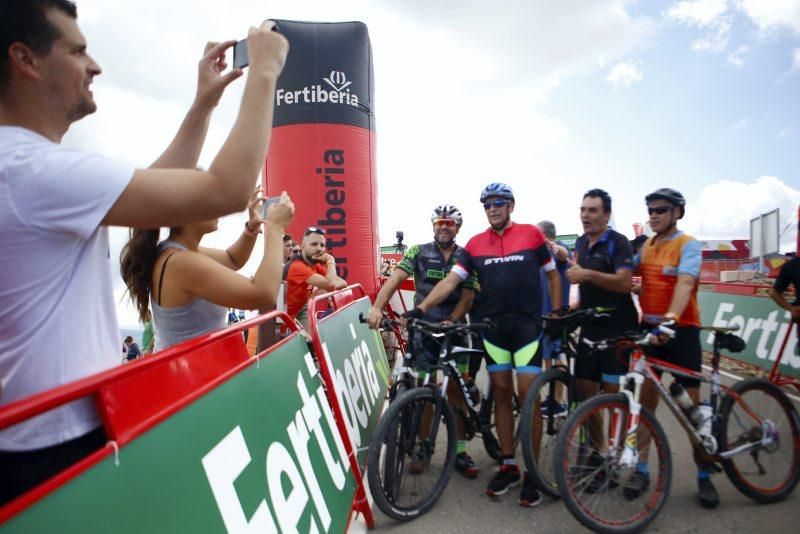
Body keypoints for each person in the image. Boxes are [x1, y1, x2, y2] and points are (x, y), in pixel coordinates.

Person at [0, 0, 288, 504]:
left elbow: (163, 177)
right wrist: (264, 72)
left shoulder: (26, 168)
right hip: (55, 448)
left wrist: (203, 103)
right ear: (25, 60)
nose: (96, 66)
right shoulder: (34, 171)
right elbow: (227, 188)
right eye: (78, 50)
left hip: (49, 434)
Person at [403, 183, 561, 508]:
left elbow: (553, 276)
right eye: (488, 204)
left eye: (499, 203)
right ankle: (508, 463)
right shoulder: (475, 245)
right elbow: (451, 282)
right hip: (493, 330)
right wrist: (420, 308)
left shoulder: (531, 235)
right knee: (501, 395)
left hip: (528, 329)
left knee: (528, 397)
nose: (493, 208)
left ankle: (532, 472)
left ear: (511, 205)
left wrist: (557, 312)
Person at [367, 204, 480, 478]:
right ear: (433, 225)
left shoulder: (466, 256)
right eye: (440, 222)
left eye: (450, 223)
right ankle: (421, 447)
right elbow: (394, 279)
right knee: (425, 391)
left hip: (454, 329)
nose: (444, 226)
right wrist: (377, 308)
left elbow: (468, 296)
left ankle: (461, 450)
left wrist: (452, 319)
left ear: (458, 227)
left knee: (455, 393)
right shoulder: (418, 251)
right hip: (423, 329)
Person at [120, 189, 294, 351]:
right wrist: (275, 227)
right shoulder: (182, 263)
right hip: (191, 375)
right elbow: (263, 294)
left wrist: (252, 228)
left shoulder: (174, 252)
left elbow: (232, 259)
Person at [632, 188, 717, 508]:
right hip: (651, 332)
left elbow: (685, 283)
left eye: (661, 210)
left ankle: (705, 476)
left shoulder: (688, 245)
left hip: (681, 331)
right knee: (644, 406)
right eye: (650, 209)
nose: (653, 214)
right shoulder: (647, 247)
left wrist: (671, 318)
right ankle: (640, 469)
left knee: (691, 412)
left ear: (678, 212)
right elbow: (628, 274)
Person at [566, 189, 638, 488]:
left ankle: (614, 460)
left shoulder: (618, 242)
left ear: (606, 215)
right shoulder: (581, 243)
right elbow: (580, 282)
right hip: (591, 326)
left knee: (611, 398)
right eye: (583, 209)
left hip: (617, 327)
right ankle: (598, 454)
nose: (586, 215)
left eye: (593, 210)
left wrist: (587, 276)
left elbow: (624, 282)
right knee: (586, 393)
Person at [284, 227, 347, 329]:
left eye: (322, 245)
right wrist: (330, 259)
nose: (319, 248)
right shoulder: (297, 266)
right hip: (270, 327)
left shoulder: (314, 266)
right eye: (314, 244)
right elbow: (332, 284)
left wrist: (327, 286)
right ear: (302, 246)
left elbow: (343, 283)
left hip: (287, 320)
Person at [770, 254, 800, 356]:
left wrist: (791, 308)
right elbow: (774, 293)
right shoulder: (791, 266)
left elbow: (774, 293)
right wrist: (791, 308)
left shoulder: (791, 265)